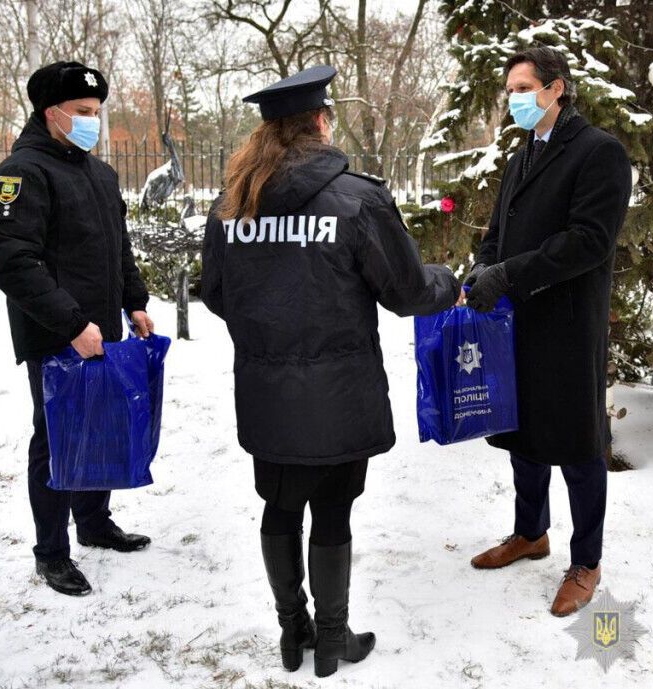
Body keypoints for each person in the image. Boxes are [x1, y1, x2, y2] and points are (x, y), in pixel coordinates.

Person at [200, 65, 459, 677]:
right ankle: (332, 640)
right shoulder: (358, 198)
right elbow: (406, 290)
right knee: (334, 510)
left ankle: (296, 634)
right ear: (320, 122)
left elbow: (214, 292)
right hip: (339, 392)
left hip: (267, 389)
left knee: (280, 505)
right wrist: (449, 284)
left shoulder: (233, 204)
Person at [464, 46, 633, 617]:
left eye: (522, 86)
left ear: (556, 89)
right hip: (517, 322)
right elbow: (499, 228)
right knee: (522, 433)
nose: (513, 98)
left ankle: (586, 560)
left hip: (565, 325)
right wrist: (484, 266)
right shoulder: (523, 155)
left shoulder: (599, 152)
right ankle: (530, 533)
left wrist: (510, 273)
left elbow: (589, 241)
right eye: (509, 89)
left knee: (579, 444)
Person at [0, 61, 154, 597]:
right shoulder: (22, 173)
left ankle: (95, 522)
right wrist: (72, 323)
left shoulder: (98, 174)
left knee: (101, 425)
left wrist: (136, 302)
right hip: (57, 335)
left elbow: (116, 248)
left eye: (96, 112)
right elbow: (14, 263)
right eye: (82, 112)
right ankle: (52, 552)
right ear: (50, 112)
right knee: (57, 440)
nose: (92, 121)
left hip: (101, 331)